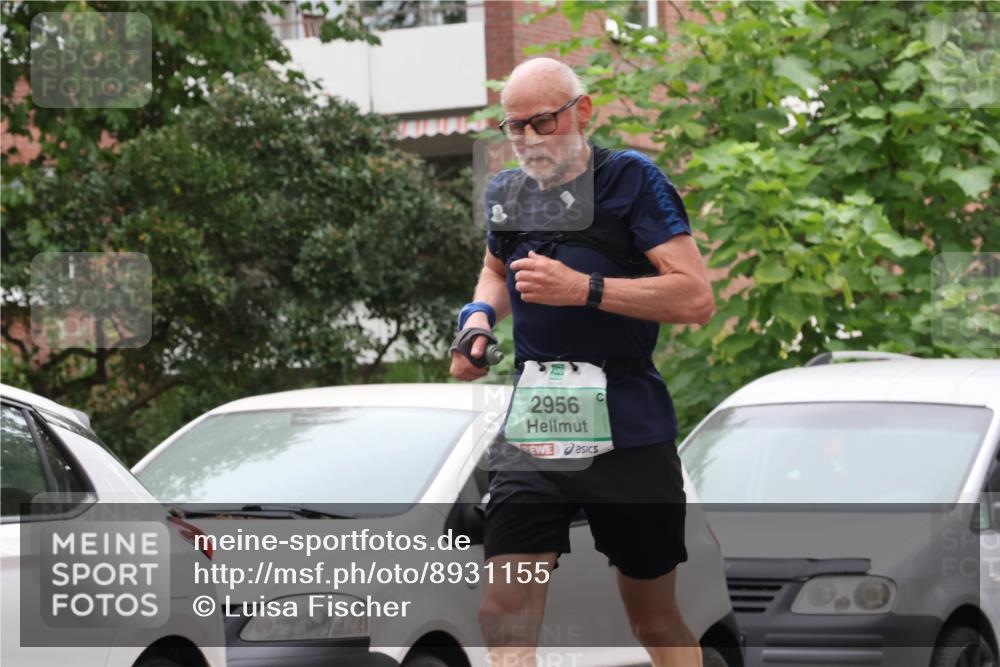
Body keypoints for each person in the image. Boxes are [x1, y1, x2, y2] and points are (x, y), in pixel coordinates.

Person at [449, 57, 715, 667]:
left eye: (541, 122)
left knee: (653, 620)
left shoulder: (630, 180)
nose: (526, 140)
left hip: (628, 423)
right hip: (539, 421)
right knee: (502, 613)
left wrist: (585, 289)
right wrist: (478, 321)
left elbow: (696, 297)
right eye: (514, 127)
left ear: (583, 112)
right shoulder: (506, 194)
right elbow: (495, 270)